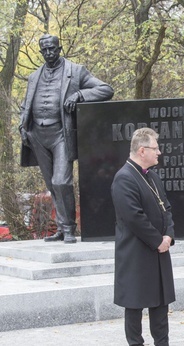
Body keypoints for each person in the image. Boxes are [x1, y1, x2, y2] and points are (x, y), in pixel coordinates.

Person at [19, 34, 114, 243]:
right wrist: (22, 127)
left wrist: (79, 95)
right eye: (44, 50)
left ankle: (70, 228)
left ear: (59, 48)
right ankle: (62, 228)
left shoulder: (75, 71)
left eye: (52, 49)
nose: (48, 53)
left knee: (61, 181)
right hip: (37, 135)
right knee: (52, 186)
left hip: (61, 134)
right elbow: (26, 105)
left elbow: (106, 89)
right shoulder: (35, 76)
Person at [111, 127, 176, 346]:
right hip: (136, 254)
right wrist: (158, 241)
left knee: (160, 303)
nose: (159, 152)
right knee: (135, 304)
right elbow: (134, 217)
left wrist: (168, 236)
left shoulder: (153, 177)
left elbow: (166, 208)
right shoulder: (124, 178)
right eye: (155, 148)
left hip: (159, 251)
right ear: (142, 150)